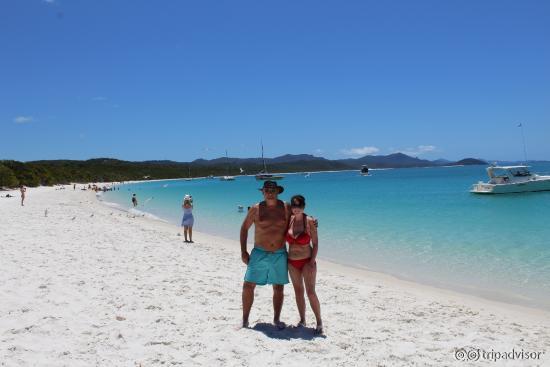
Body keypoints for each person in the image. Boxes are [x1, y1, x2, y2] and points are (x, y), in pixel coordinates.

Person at [240, 181, 291, 329]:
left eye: (272, 189)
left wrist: (312, 222)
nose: (270, 192)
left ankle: (276, 318)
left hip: (280, 253)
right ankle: (245, 319)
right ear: (262, 192)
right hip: (259, 252)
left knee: (279, 287)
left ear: (277, 191)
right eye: (267, 190)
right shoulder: (256, 209)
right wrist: (243, 251)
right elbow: (244, 228)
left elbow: (298, 220)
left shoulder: (286, 207)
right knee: (248, 285)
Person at [286, 195, 323, 334]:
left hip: (307, 261)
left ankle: (319, 321)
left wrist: (312, 261)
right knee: (298, 292)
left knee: (311, 292)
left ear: (304, 207)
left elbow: (316, 243)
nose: (296, 209)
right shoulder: (288, 220)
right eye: (294, 206)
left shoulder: (310, 222)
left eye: (299, 206)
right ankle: (302, 320)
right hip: (292, 262)